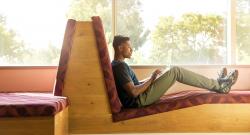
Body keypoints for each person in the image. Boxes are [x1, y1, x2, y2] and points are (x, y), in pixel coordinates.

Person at [111, 35, 238, 108]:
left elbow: (134, 86)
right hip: (139, 101)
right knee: (176, 71)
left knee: (173, 69)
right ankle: (218, 85)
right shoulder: (119, 67)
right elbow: (133, 92)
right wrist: (151, 79)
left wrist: (152, 77)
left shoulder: (119, 65)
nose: (131, 49)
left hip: (140, 98)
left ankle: (217, 85)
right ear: (120, 47)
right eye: (129, 46)